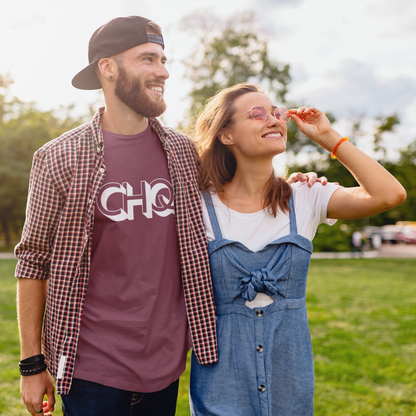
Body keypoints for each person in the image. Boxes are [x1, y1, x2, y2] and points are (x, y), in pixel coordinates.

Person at [14, 16, 323, 416]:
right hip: (92, 370)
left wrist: (295, 181)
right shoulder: (59, 158)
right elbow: (33, 261)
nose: (163, 71)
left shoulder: (183, 153)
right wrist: (31, 364)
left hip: (166, 367)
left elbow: (242, 182)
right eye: (148, 59)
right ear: (107, 68)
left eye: (163, 58)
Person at [189, 83, 406, 416]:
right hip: (221, 382)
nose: (274, 119)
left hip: (291, 381)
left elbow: (389, 195)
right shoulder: (198, 206)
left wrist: (329, 138)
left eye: (277, 112)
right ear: (226, 134)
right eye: (257, 114)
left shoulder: (306, 197)